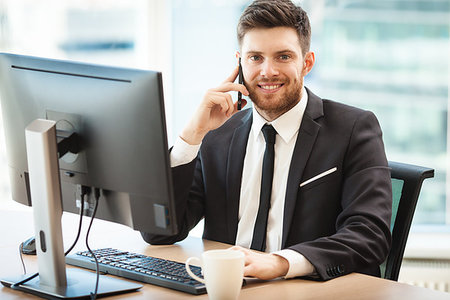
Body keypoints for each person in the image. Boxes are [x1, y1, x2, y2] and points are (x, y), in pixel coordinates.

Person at [142, 0, 392, 281]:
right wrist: (191, 136)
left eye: (283, 57)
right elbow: (159, 232)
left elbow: (369, 235)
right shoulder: (218, 134)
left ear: (307, 63)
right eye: (255, 57)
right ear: (239, 62)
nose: (268, 71)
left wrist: (281, 263)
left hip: (306, 290)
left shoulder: (353, 129)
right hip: (229, 289)